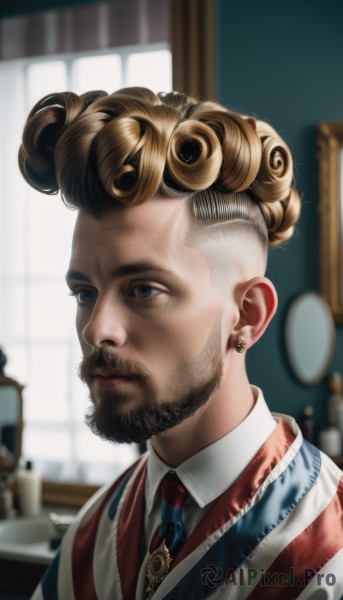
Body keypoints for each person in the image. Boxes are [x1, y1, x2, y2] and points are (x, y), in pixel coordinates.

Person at [19, 87, 342, 599]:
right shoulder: (92, 534)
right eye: (84, 292)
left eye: (144, 289)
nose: (96, 329)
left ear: (247, 315)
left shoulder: (326, 554)